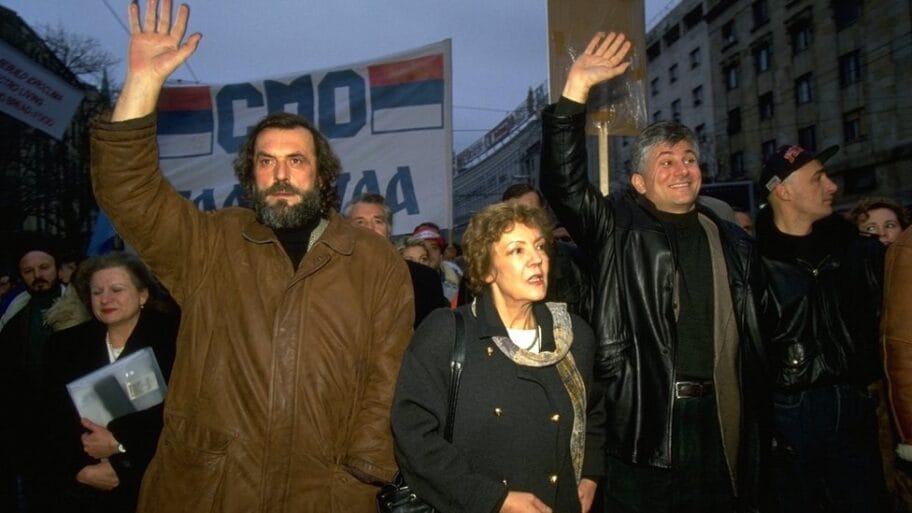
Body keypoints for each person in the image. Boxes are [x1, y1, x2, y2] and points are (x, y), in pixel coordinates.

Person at [90, 2, 414, 511]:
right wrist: (141, 82)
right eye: (266, 161)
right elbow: (128, 191)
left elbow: (388, 371)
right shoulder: (210, 243)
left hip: (325, 492)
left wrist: (362, 470)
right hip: (212, 487)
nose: (280, 173)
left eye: (295, 160)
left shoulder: (374, 262)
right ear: (251, 175)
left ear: (323, 176)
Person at [540, 32, 769, 512]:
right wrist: (576, 87)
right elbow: (563, 184)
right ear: (640, 182)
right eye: (666, 162)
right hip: (643, 422)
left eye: (688, 159)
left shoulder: (733, 241)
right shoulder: (616, 230)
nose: (682, 169)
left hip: (721, 422)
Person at [391, 201, 604, 513]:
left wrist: (590, 474)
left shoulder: (573, 335)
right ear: (487, 269)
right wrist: (493, 499)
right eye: (517, 250)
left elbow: (594, 412)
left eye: (540, 246)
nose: (537, 259)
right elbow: (414, 438)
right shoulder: (446, 333)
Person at [755, 143, 889, 512]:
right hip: (787, 418)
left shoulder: (862, 254)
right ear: (783, 190)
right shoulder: (751, 265)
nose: (832, 186)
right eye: (818, 178)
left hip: (858, 407)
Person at [42, 252, 179, 513]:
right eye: (97, 292)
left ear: (143, 295)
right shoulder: (63, 347)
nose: (106, 299)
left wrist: (121, 446)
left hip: (158, 484)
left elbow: (183, 418)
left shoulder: (175, 341)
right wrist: (78, 469)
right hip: (87, 489)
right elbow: (49, 420)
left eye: (117, 289)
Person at [0, 247, 66, 513]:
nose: (37, 275)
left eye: (44, 267)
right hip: (30, 429)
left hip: (73, 425)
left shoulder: (85, 307)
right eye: (28, 271)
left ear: (58, 270)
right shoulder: (14, 317)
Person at [345, 193, 448, 327]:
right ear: (347, 230)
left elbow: (436, 334)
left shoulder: (424, 278)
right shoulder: (330, 278)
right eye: (360, 222)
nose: (370, 228)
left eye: (378, 221)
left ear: (389, 229)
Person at [501, 183, 591, 318]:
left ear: (544, 212)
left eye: (531, 212)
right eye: (516, 213)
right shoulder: (490, 266)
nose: (524, 219)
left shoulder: (573, 260)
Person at [412, 221, 463, 301]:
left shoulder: (457, 280)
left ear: (441, 255)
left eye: (434, 248)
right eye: (422, 247)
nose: (428, 252)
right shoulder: (402, 282)